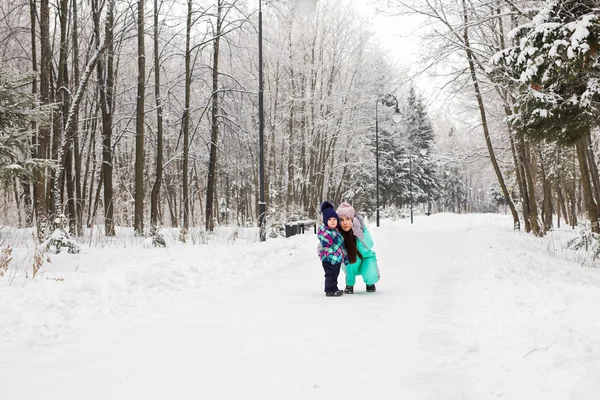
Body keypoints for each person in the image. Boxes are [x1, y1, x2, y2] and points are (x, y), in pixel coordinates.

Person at [336, 201, 379, 293]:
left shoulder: (361, 228)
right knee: (348, 259)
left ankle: (370, 282)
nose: (345, 223)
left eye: (347, 219)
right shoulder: (338, 233)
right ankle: (349, 284)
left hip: (366, 258)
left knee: (371, 277)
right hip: (351, 261)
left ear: (353, 219)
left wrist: (358, 233)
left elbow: (369, 244)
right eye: (341, 220)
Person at [317, 201, 346, 297]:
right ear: (326, 221)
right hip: (328, 257)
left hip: (336, 258)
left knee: (335, 274)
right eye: (330, 219)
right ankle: (329, 290)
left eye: (334, 219)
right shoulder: (324, 231)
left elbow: (340, 245)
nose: (333, 221)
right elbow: (325, 240)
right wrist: (331, 237)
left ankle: (334, 288)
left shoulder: (336, 231)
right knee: (330, 274)